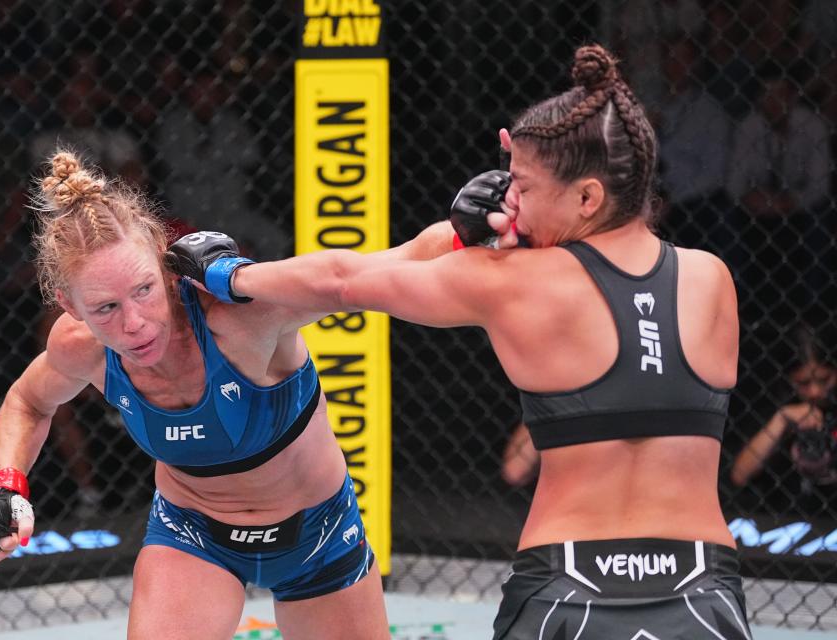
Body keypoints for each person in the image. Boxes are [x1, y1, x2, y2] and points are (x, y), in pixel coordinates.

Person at [183, 45, 750, 638]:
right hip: (701, 585)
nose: (511, 203)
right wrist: (515, 232)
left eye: (523, 188)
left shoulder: (511, 282)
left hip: (568, 585)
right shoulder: (711, 279)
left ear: (587, 198)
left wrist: (229, 275)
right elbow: (627, 313)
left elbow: (346, 280)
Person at [0, 151, 393, 640]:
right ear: (70, 307)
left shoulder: (239, 318)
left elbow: (360, 278)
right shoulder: (81, 348)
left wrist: (471, 230)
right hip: (194, 536)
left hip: (320, 534)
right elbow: (29, 401)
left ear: (166, 268)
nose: (134, 323)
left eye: (144, 290)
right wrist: (6, 482)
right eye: (105, 308)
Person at [731, 327, 837, 492]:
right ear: (788, 378)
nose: (815, 391)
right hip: (781, 512)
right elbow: (740, 475)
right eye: (803, 383)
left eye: (824, 380)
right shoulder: (774, 406)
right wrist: (781, 420)